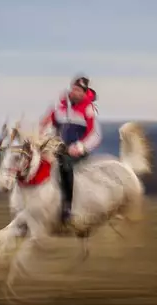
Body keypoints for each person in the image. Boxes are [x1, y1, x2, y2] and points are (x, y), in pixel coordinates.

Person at [38, 75, 102, 224]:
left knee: (65, 164)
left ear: (85, 93)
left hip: (78, 149)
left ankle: (67, 206)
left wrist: (80, 147)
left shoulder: (89, 109)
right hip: (59, 146)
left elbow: (95, 134)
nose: (76, 92)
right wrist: (44, 135)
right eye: (74, 89)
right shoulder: (59, 105)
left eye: (80, 90)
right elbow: (48, 123)